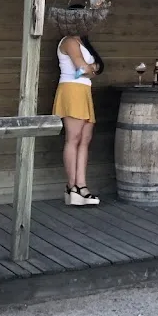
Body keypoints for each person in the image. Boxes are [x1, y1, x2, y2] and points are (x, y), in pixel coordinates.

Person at [52, 19, 105, 206]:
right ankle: (71, 186)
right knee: (73, 138)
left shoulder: (83, 42)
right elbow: (82, 68)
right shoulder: (69, 41)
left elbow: (95, 69)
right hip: (71, 89)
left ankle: (81, 186)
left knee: (84, 139)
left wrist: (89, 69)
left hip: (84, 89)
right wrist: (89, 69)